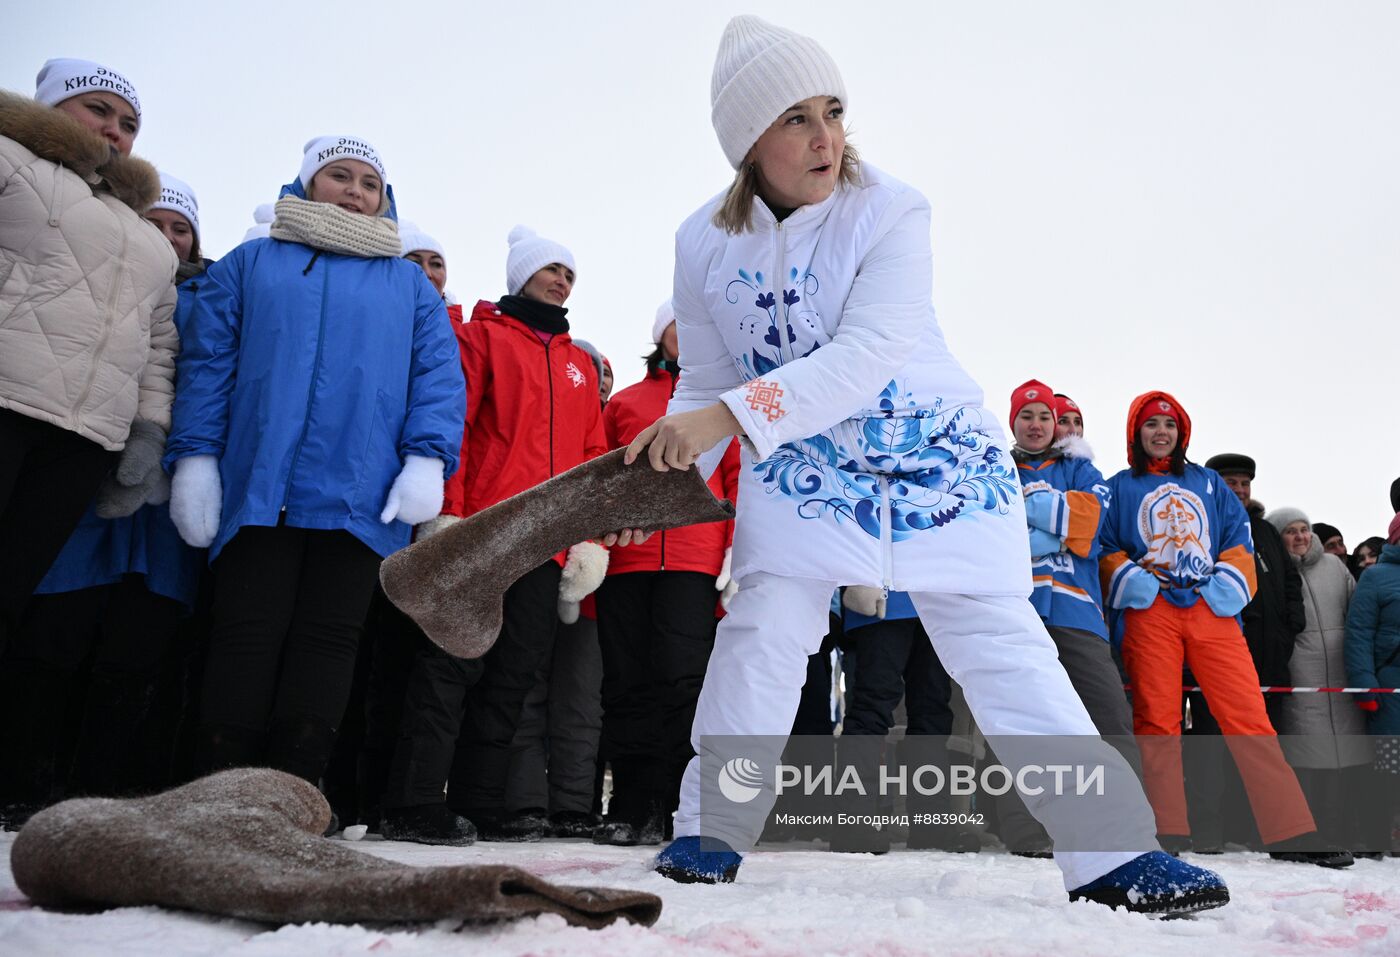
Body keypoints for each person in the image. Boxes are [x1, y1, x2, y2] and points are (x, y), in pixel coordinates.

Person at [629, 16, 1225, 915]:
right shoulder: (703, 243)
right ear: (747, 141)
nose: (826, 136)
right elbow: (706, 382)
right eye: (796, 118)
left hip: (935, 453)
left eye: (832, 111)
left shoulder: (891, 207)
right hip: (806, 462)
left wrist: (727, 417)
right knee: (762, 628)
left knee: (998, 638)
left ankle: (1112, 851)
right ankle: (710, 826)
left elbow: (868, 352)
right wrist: (659, 481)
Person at [164, 136, 465, 803]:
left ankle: (296, 788)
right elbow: (208, 366)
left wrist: (425, 457)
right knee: (247, 629)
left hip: (362, 496)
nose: (356, 191)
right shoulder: (250, 264)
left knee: (329, 639)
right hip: (258, 486)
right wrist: (195, 459)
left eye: (369, 183)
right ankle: (221, 788)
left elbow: (437, 378)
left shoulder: (408, 284)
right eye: (340, 176)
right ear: (305, 184)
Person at [380, 225, 607, 845]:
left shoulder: (577, 363)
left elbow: (593, 455)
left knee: (514, 675)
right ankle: (415, 799)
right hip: (482, 525)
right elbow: (455, 425)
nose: (561, 279)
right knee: (451, 662)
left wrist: (585, 539)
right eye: (550, 269)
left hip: (545, 540)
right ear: (520, 277)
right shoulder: (482, 339)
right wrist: (448, 512)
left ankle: (481, 800)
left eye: (569, 273)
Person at [1099, 391, 1348, 866]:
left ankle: (1291, 830)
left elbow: (1238, 538)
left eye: (1169, 426)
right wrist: (1138, 585)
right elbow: (1106, 546)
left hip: (1211, 611)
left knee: (1249, 716)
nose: (1161, 433)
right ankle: (1167, 828)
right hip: (1151, 611)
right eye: (1151, 425)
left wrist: (1223, 587)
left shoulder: (1209, 484)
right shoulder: (1117, 487)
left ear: (1182, 433)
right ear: (1137, 432)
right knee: (1157, 720)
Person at [0, 61, 178, 657]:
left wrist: (148, 434)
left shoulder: (151, 239)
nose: (115, 131)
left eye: (128, 123)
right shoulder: (10, 160)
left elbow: (158, 348)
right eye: (97, 110)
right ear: (50, 106)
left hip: (84, 440)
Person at [592, 299, 740, 846]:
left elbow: (734, 481)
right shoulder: (627, 403)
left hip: (693, 561)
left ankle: (681, 807)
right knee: (626, 682)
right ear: (662, 335)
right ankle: (631, 806)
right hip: (626, 561)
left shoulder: (719, 410)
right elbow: (598, 479)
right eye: (678, 325)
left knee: (683, 681)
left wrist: (733, 553)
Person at [997, 380, 1142, 852]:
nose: (1036, 425)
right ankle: (1025, 833)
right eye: (1026, 416)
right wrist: (1058, 532)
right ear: (1013, 421)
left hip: (1078, 614)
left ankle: (1127, 828)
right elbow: (993, 530)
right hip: (1017, 612)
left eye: (1045, 417)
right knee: (1027, 724)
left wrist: (1030, 517)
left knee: (1108, 720)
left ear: (1057, 424)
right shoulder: (994, 467)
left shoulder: (1080, 467)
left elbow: (1091, 519)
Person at [1265, 507, 1371, 850]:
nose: (1300, 537)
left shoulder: (1333, 566)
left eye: (1304, 529)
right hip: (1301, 673)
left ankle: (1349, 830)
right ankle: (1315, 831)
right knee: (1310, 758)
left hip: (1341, 672)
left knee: (1350, 756)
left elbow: (1356, 611)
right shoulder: (1274, 570)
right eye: (1291, 531)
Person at [1344, 512, 1400, 854]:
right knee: (1388, 768)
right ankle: (1377, 837)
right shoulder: (1376, 577)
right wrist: (1365, 684)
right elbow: (1359, 633)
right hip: (1389, 688)